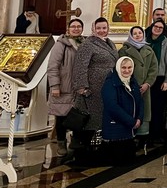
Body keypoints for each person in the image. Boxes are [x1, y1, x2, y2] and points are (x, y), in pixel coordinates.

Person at [73, 18, 119, 149]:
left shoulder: (111, 43)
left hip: (107, 86)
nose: (101, 31)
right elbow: (80, 66)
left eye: (104, 28)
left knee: (103, 116)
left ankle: (101, 146)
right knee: (92, 118)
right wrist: (82, 87)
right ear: (93, 29)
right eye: (98, 28)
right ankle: (87, 148)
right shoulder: (88, 44)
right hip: (93, 88)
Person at [47, 18, 84, 156]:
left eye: (78, 26)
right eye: (73, 26)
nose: (76, 29)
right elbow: (52, 66)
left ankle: (75, 141)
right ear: (68, 29)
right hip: (64, 87)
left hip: (78, 88)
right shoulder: (61, 44)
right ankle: (61, 142)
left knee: (77, 116)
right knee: (61, 117)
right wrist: (55, 86)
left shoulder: (84, 43)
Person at [101, 57, 143, 165]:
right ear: (118, 68)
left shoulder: (132, 82)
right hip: (115, 134)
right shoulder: (110, 83)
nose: (127, 70)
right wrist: (132, 122)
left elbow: (140, 101)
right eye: (123, 68)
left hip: (129, 133)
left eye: (129, 67)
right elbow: (112, 107)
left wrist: (139, 118)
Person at [120, 26, 157, 146]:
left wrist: (147, 83)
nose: (137, 35)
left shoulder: (149, 50)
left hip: (144, 88)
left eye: (139, 33)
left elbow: (153, 68)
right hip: (129, 87)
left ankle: (143, 136)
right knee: (131, 110)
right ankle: (130, 136)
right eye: (134, 33)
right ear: (131, 35)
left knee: (144, 110)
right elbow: (120, 68)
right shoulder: (124, 50)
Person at [145, 19, 167, 146]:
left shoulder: (165, 43)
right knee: (147, 107)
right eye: (156, 26)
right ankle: (146, 134)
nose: (157, 29)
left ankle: (157, 134)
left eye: (160, 27)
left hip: (160, 79)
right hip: (146, 79)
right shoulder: (145, 40)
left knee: (158, 109)